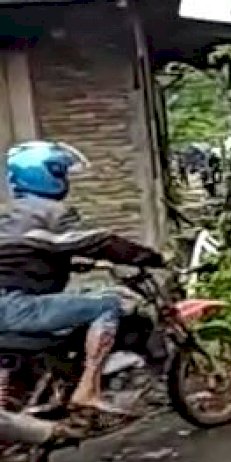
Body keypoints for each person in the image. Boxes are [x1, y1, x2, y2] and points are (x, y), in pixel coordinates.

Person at [0, 141, 165, 416]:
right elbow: (99, 241)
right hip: (16, 306)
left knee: (73, 306)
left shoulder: (10, 217)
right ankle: (88, 389)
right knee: (107, 304)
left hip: (11, 303)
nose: (66, 179)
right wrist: (150, 258)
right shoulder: (51, 212)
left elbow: (25, 258)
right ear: (47, 176)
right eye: (61, 172)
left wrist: (71, 266)